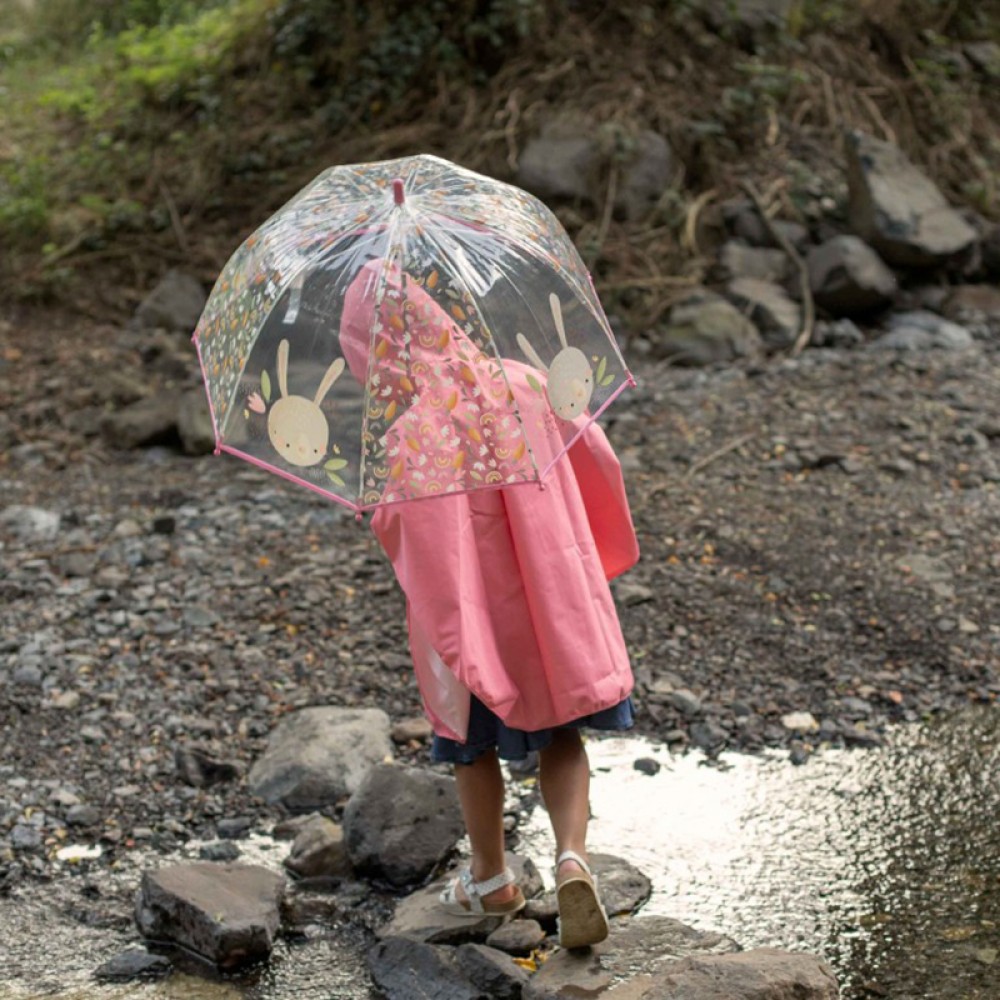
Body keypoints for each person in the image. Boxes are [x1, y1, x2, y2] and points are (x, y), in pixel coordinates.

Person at [339, 259, 639, 949]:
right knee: (565, 731)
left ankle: (492, 876)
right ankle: (572, 858)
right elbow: (593, 453)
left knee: (470, 747)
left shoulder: (410, 432)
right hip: (550, 599)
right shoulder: (528, 381)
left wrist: (380, 508)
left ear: (375, 350)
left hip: (474, 616)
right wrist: (587, 544)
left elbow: (403, 527)